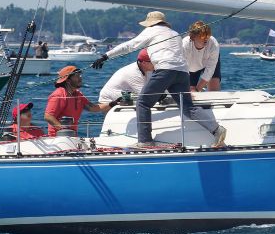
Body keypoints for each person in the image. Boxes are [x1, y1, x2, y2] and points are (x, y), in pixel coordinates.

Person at [92, 11, 225, 148]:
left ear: (151, 23)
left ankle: (145, 141)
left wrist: (105, 56)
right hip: (183, 73)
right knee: (187, 107)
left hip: (165, 70)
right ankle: (216, 130)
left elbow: (129, 46)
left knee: (143, 103)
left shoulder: (151, 31)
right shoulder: (174, 33)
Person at [44, 65, 112, 137]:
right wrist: (63, 130)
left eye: (80, 75)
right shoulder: (58, 95)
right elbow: (48, 116)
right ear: (68, 80)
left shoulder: (78, 94)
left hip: (71, 136)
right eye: (77, 76)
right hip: (57, 138)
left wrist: (113, 104)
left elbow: (93, 108)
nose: (80, 77)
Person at [183, 21, 221, 92]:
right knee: (191, 92)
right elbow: (183, 70)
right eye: (202, 36)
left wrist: (198, 89)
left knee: (214, 90)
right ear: (193, 37)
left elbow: (210, 70)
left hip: (208, 62)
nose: (206, 38)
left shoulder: (213, 44)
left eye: (208, 35)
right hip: (191, 68)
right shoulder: (185, 45)